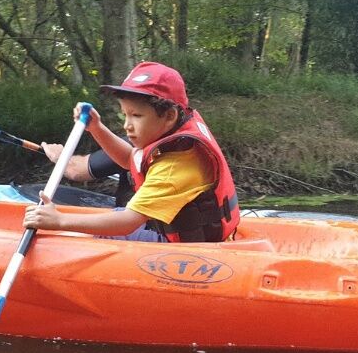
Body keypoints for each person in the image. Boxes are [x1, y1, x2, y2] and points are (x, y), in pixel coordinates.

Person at [23, 61, 240, 242]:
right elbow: (129, 159)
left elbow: (127, 223)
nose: (127, 125)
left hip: (182, 249)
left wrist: (60, 221)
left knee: (106, 230)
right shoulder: (170, 136)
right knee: (114, 214)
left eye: (136, 116)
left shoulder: (175, 164)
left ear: (169, 116)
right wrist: (96, 128)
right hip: (170, 228)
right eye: (125, 114)